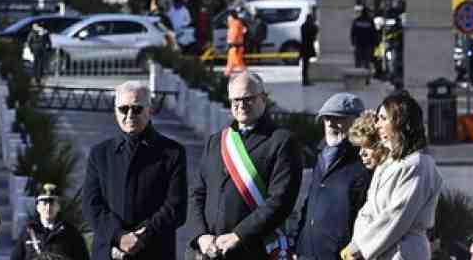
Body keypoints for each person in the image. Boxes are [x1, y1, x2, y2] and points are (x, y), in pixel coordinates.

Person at [187, 70, 299, 260]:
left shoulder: (281, 140)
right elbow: (197, 193)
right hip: (209, 251)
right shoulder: (215, 141)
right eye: (235, 100)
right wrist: (201, 236)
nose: (240, 105)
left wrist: (239, 235)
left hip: (252, 250)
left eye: (248, 98)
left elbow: (281, 200)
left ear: (263, 98)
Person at [81, 80, 187, 260]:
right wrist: (119, 236)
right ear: (115, 111)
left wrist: (141, 237)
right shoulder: (100, 154)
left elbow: (175, 207)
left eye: (137, 109)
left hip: (154, 252)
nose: (130, 115)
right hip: (110, 252)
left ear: (150, 110)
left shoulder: (172, 152)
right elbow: (92, 206)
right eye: (123, 109)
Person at [343, 92, 441, 260]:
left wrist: (361, 249)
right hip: (378, 250)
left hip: (403, 252)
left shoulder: (418, 164)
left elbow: (396, 217)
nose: (377, 124)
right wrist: (355, 244)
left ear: (399, 122)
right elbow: (368, 209)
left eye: (382, 118)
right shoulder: (388, 163)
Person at [293, 94, 371, 260]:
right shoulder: (321, 154)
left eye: (338, 118)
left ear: (357, 121)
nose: (330, 123)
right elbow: (310, 204)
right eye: (326, 118)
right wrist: (298, 244)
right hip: (306, 254)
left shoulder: (365, 161)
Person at [13, 183, 87, 260]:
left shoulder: (71, 233)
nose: (48, 208)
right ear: (38, 207)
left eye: (52, 203)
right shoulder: (28, 232)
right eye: (44, 203)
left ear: (58, 207)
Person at [224, 10, 248, 77]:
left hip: (235, 46)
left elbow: (235, 34)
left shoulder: (235, 23)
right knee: (233, 62)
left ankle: (246, 75)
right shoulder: (235, 23)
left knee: (237, 62)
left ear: (231, 16)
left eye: (228, 16)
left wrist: (231, 43)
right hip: (236, 46)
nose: (227, 18)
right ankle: (226, 75)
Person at [299, 11, 319, 86]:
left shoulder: (303, 26)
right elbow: (315, 32)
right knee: (306, 65)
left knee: (305, 65)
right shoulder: (311, 26)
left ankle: (305, 79)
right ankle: (306, 80)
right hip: (308, 47)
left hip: (304, 47)